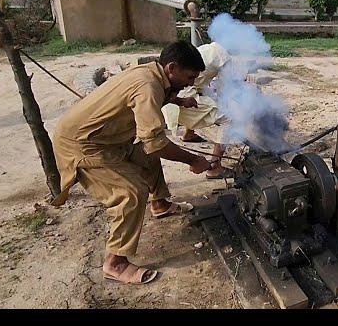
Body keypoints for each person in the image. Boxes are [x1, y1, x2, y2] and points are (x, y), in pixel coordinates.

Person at [50, 41, 212, 285]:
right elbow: (156, 141)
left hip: (109, 139)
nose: (191, 83)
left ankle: (160, 205)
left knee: (147, 156)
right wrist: (194, 160)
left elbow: (152, 104)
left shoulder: (151, 72)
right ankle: (115, 263)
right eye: (189, 77)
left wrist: (179, 102)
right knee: (131, 192)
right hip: (83, 145)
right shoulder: (147, 86)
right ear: (172, 67)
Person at [162, 41, 234, 179]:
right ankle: (215, 168)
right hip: (182, 96)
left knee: (205, 98)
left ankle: (189, 134)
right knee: (229, 119)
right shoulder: (225, 58)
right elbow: (226, 89)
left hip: (172, 98)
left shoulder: (208, 48)